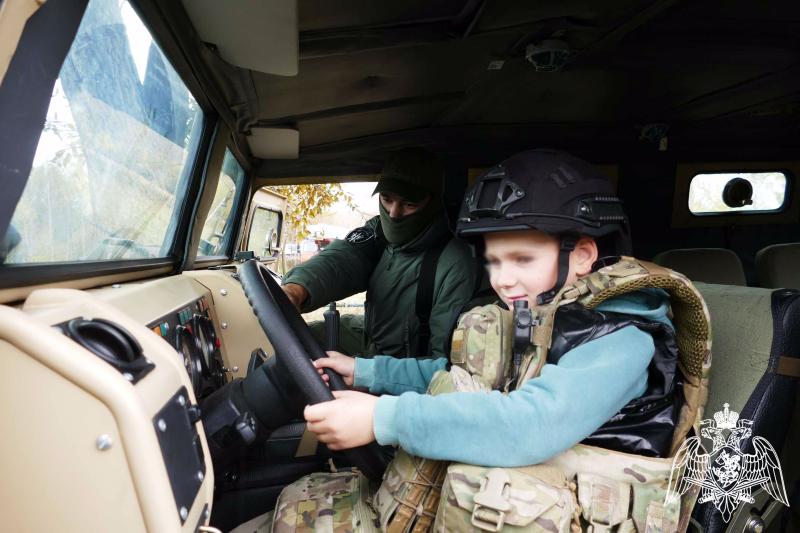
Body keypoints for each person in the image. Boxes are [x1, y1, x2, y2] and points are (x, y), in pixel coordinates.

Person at [248, 149, 709, 532]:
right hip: (492, 501)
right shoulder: (544, 314)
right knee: (293, 506)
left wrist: (384, 417)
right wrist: (365, 371)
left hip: (560, 513)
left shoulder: (622, 339)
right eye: (494, 262)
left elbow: (532, 423)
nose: (503, 280)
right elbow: (462, 377)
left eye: (522, 259)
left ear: (583, 255)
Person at [281, 147, 476, 359]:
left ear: (433, 203)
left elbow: (443, 365)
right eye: (386, 199)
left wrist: (367, 374)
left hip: (405, 366)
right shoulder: (379, 230)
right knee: (293, 341)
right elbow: (344, 258)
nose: (394, 213)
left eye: (409, 204)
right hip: (370, 339)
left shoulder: (454, 262)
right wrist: (296, 289)